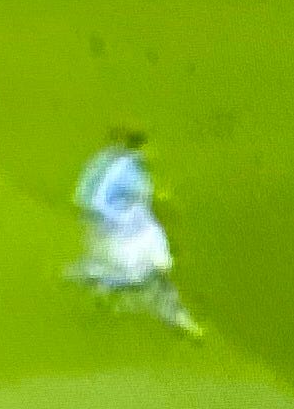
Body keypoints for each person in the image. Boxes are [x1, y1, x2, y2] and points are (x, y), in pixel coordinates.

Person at [70, 128, 199, 335]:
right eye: (148, 147)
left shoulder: (131, 167)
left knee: (153, 273)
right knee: (142, 275)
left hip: (139, 230)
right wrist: (116, 219)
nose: (152, 152)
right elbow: (95, 200)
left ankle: (178, 318)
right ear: (140, 147)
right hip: (126, 233)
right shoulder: (121, 168)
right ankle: (94, 281)